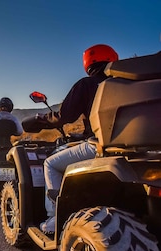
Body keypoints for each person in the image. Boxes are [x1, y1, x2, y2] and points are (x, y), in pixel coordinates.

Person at [38, 44, 119, 234]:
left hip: (100, 145)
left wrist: (38, 120)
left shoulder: (87, 84)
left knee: (50, 163)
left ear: (88, 62)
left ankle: (54, 218)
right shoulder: (125, 84)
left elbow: (63, 116)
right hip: (134, 148)